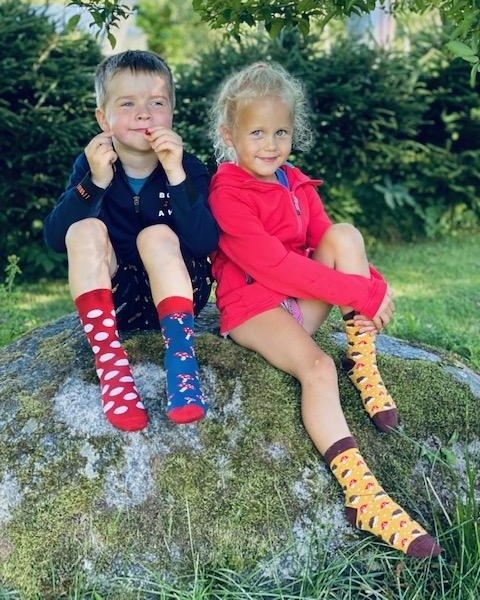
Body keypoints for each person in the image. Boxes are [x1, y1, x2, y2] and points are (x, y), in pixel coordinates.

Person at [208, 62, 440, 558]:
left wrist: (374, 285)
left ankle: (364, 362)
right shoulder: (226, 194)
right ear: (229, 135)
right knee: (316, 367)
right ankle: (363, 495)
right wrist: (361, 295)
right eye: (257, 132)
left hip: (295, 303)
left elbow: (324, 241)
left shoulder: (294, 182)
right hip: (252, 307)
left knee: (346, 234)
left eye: (281, 132)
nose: (270, 144)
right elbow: (275, 269)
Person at [44, 50, 218, 433]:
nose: (144, 113)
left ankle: (181, 361)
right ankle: (111, 364)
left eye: (156, 103)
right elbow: (56, 238)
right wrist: (94, 183)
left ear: (171, 111)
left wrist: (175, 174)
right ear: (103, 119)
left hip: (180, 292)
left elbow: (205, 241)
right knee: (83, 230)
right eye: (128, 104)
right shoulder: (90, 166)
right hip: (118, 298)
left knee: (156, 234)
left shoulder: (189, 167)